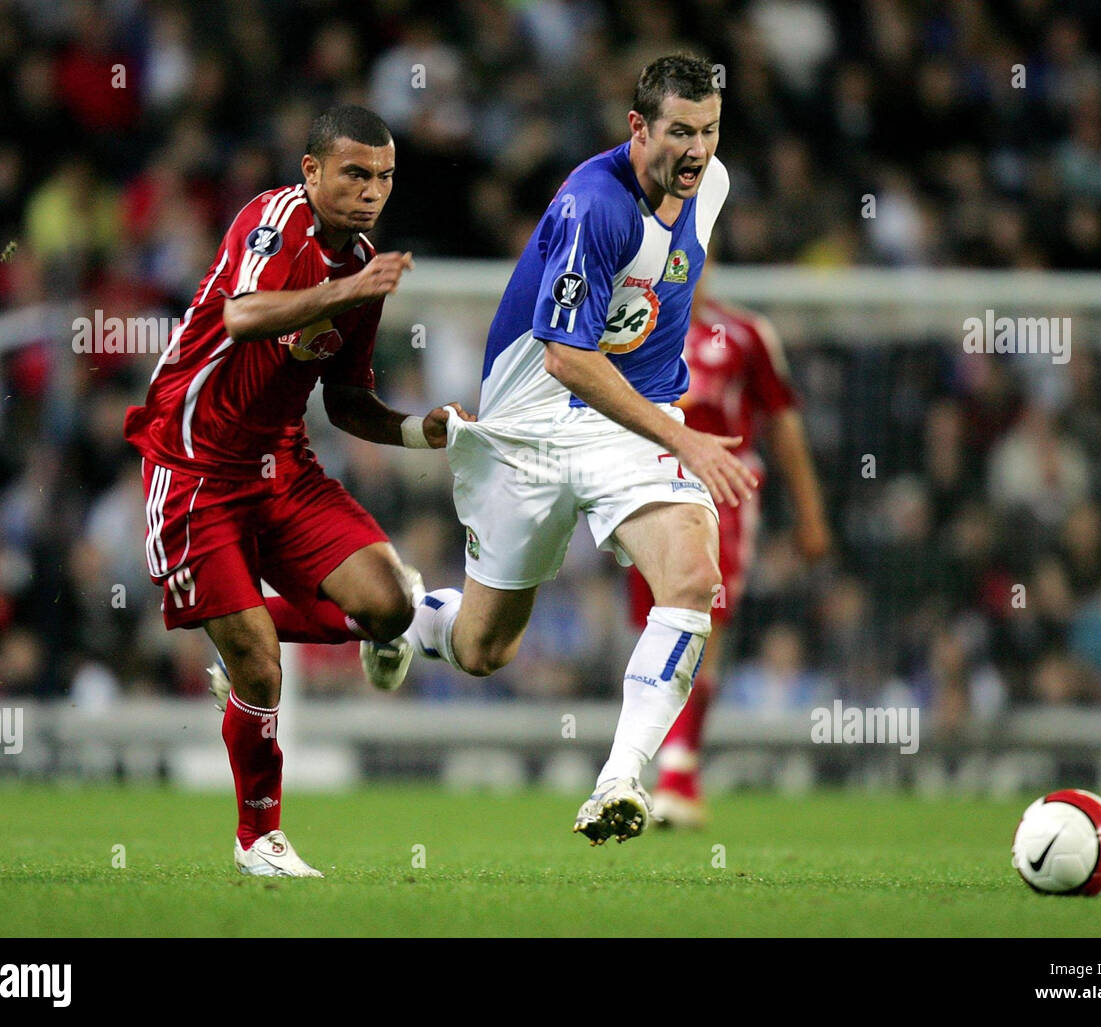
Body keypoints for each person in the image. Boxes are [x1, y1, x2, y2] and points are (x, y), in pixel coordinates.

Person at [362, 53, 757, 845]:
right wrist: (684, 436)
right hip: (534, 423)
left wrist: (667, 418)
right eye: (679, 130)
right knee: (482, 648)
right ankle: (406, 618)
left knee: (690, 574)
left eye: (709, 131)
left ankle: (621, 778)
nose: (696, 150)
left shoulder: (709, 185)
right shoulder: (591, 205)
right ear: (638, 126)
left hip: (630, 416)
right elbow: (566, 356)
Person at [124, 104, 472, 877]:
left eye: (383, 177)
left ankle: (245, 641)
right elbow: (244, 316)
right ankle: (260, 840)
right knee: (259, 666)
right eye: (354, 173)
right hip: (193, 466)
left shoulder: (365, 268)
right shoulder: (273, 219)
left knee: (390, 605)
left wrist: (423, 431)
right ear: (311, 171)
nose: (370, 190)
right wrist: (344, 294)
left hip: (282, 465)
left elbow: (346, 400)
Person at [629, 269, 831, 829]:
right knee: (656, 627)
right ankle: (668, 771)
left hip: (726, 491)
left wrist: (810, 512)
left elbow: (783, 423)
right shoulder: (629, 325)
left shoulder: (744, 334)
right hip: (641, 487)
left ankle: (675, 774)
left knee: (703, 621)